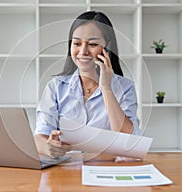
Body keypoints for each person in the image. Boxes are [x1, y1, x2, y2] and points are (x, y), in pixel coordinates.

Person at [34, 11, 141, 159]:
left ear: (107, 47)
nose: (83, 51)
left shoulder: (125, 88)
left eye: (92, 44)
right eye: (77, 43)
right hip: (65, 172)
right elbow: (39, 137)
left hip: (106, 170)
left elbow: (128, 142)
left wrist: (106, 88)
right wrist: (49, 147)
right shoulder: (55, 87)